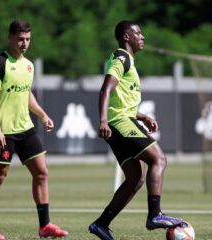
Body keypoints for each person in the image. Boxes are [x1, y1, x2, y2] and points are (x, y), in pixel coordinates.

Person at [88, 20, 183, 240]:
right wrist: (102, 120)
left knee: (135, 178)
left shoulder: (128, 60)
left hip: (121, 121)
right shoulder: (121, 57)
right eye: (138, 33)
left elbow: (120, 99)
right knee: (159, 159)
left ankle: (101, 224)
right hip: (119, 123)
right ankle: (155, 214)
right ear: (126, 37)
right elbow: (105, 90)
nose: (143, 37)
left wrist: (142, 116)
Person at [0, 19, 68, 239]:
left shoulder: (28, 65)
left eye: (28, 39)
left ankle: (45, 225)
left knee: (41, 173)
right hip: (5, 131)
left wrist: (43, 115)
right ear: (10, 37)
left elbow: (27, 95)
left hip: (25, 128)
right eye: (20, 39)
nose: (24, 43)